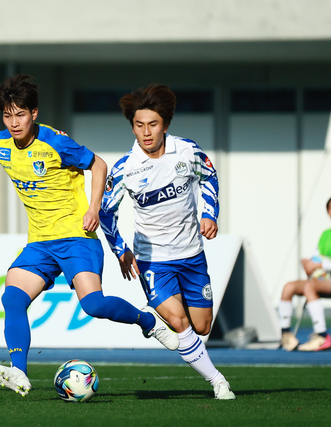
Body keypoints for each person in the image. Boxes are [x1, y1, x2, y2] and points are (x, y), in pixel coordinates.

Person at [0, 74, 178, 397]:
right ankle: (19, 373)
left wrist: (94, 207)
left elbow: (98, 165)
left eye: (20, 114)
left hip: (76, 237)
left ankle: (147, 322)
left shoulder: (56, 142)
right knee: (12, 298)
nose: (14, 123)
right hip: (40, 243)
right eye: (7, 115)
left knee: (94, 305)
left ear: (34, 113)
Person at [99, 84, 236, 400]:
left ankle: (157, 310)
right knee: (178, 321)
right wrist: (121, 250)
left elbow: (209, 177)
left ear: (166, 124)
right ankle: (218, 382)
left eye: (153, 124)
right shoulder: (125, 168)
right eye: (139, 125)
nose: (146, 133)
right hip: (153, 260)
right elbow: (106, 213)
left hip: (192, 255)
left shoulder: (187, 151)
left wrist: (210, 214)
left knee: (202, 326)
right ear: (132, 126)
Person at [278, 197, 331, 352]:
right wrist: (309, 264)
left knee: (310, 287)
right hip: (322, 279)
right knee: (289, 287)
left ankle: (322, 335)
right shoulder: (325, 235)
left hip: (325, 281)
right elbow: (317, 258)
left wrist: (319, 265)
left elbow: (321, 263)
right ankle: (286, 334)